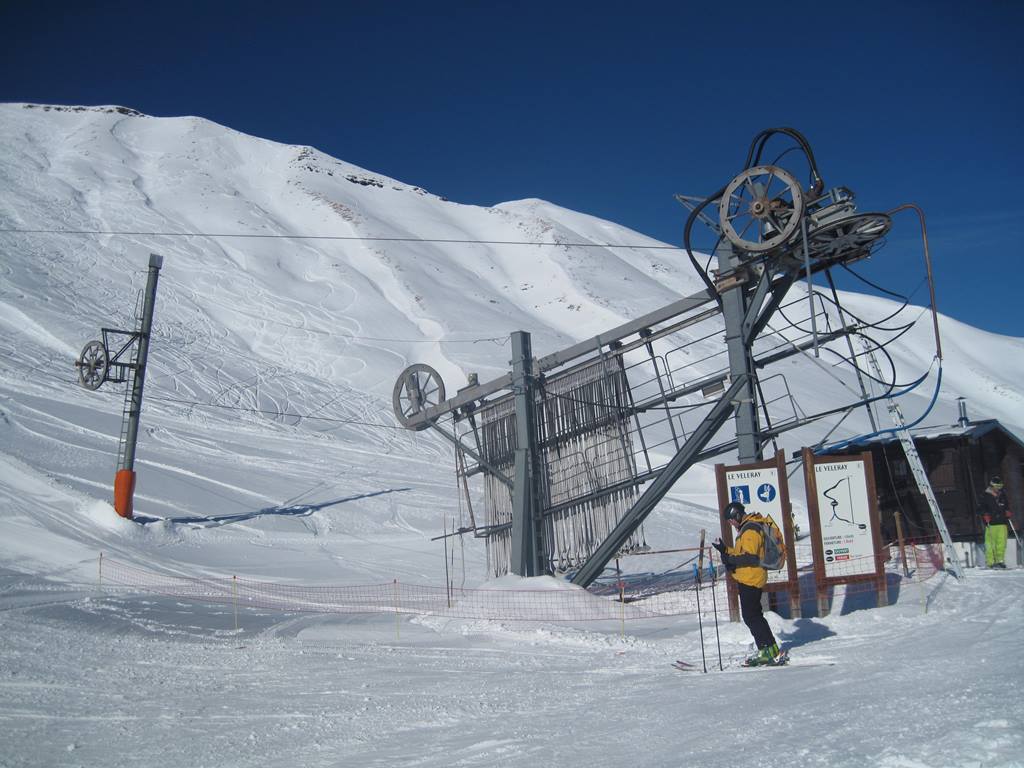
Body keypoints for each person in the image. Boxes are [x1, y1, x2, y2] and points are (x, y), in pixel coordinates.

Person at [712, 500, 783, 666]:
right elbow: (742, 553)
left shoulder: (750, 530)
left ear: (737, 515)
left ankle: (766, 651)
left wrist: (730, 559)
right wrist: (725, 550)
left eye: (731, 520)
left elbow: (750, 556)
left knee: (751, 617)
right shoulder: (747, 528)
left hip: (751, 579)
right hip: (749, 577)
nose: (731, 524)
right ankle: (771, 649)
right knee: (754, 616)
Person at [979, 476, 1012, 569]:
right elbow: (980, 508)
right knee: (990, 544)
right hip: (991, 523)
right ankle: (991, 562)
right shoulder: (985, 495)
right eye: (997, 486)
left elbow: (1006, 505)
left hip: (1002, 522)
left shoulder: (1002, 495)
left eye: (1000, 486)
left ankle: (1000, 561)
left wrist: (1007, 511)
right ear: (992, 486)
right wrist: (985, 514)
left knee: (1001, 543)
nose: (998, 488)